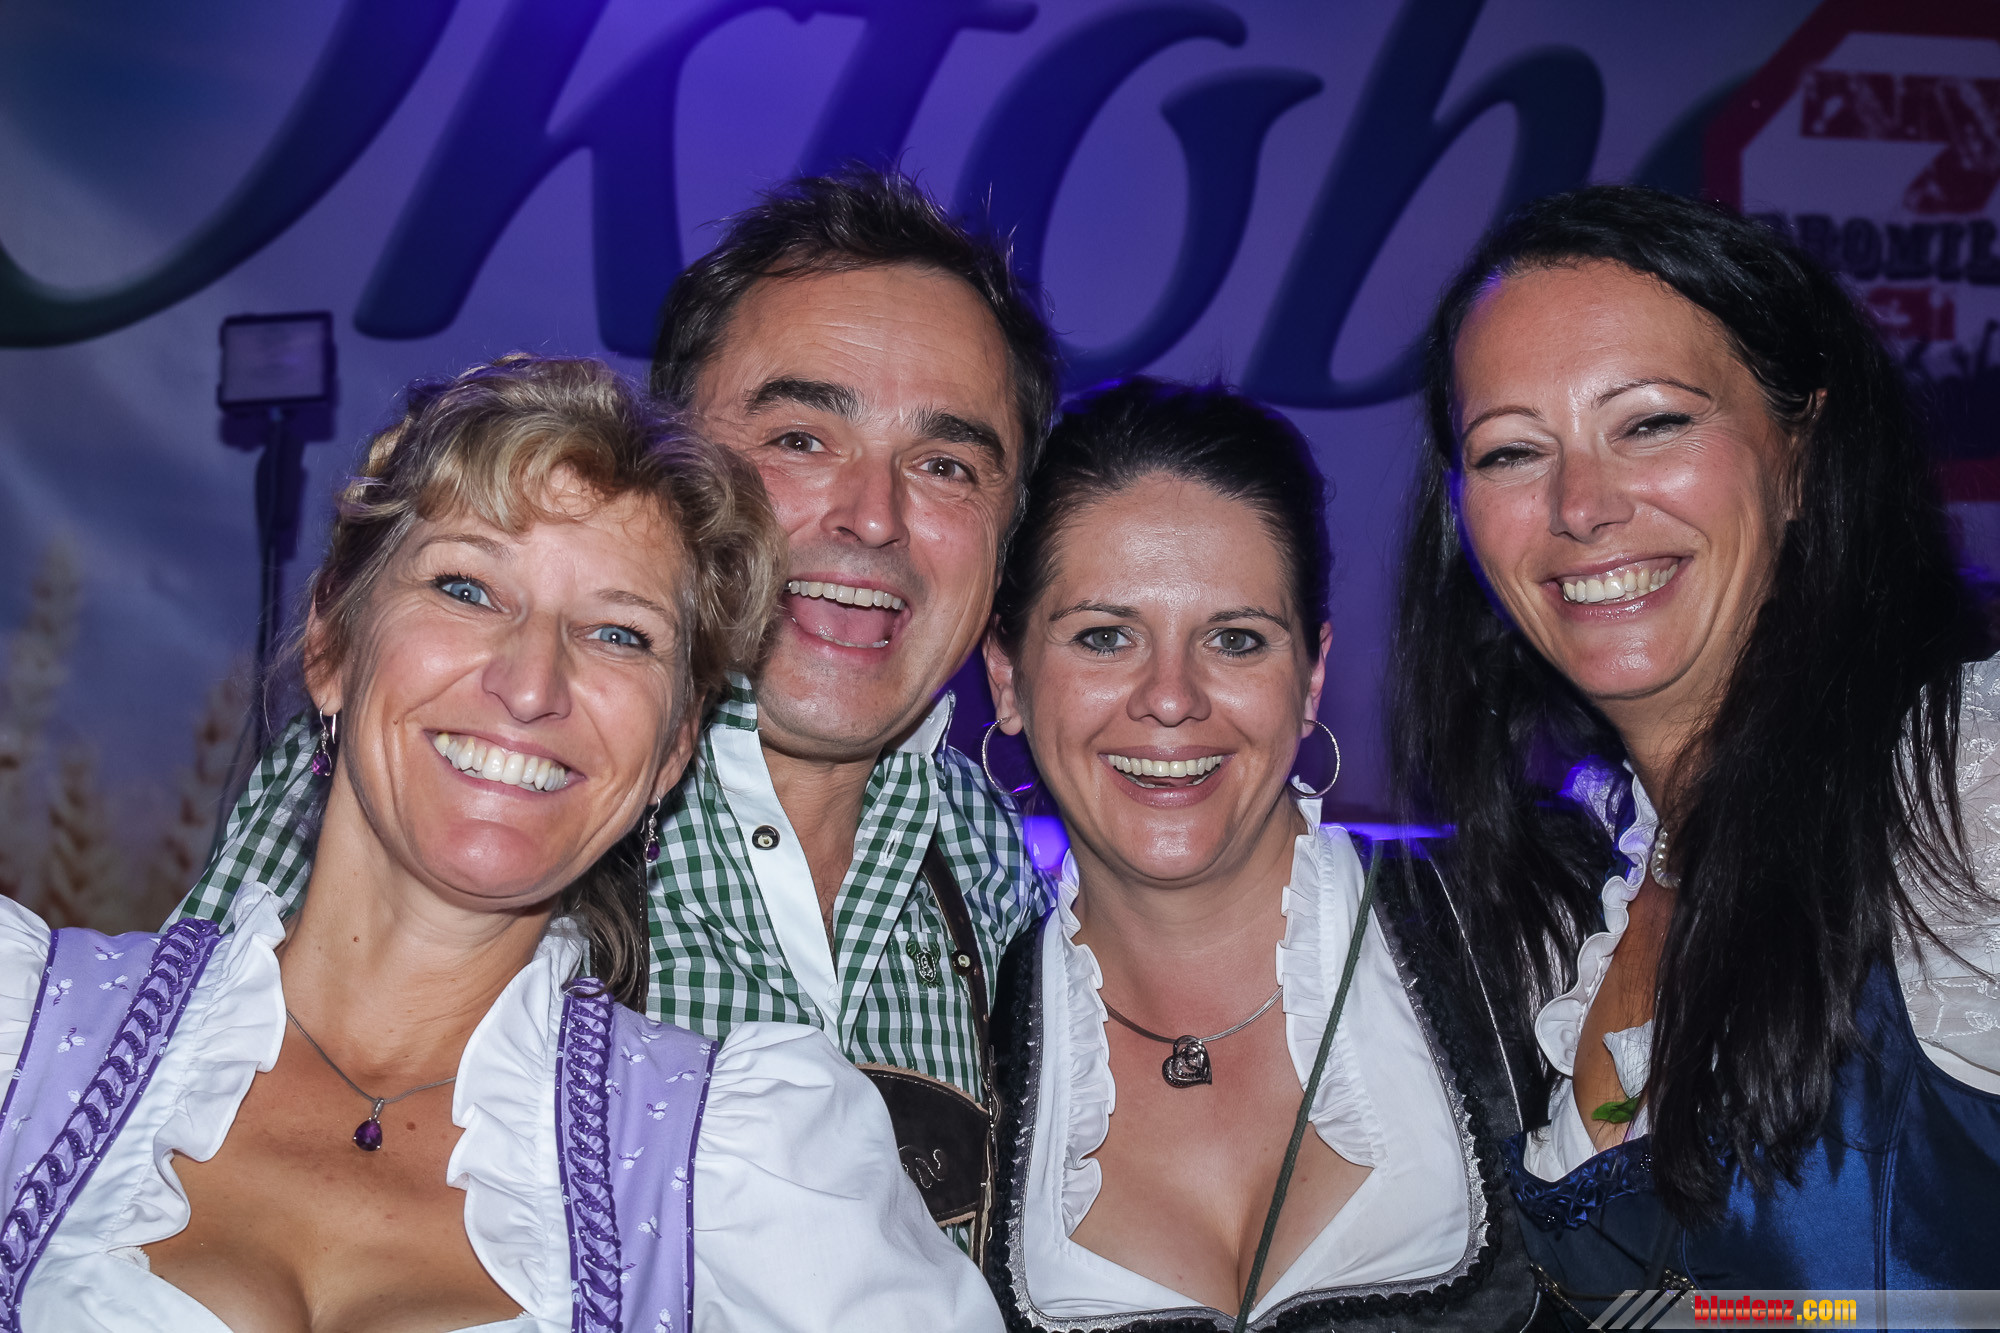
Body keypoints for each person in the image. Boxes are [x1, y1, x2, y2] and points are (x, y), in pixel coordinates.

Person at [0, 355, 999, 1331]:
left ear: (672, 749)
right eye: (467, 588)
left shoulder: (741, 1171)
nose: (530, 685)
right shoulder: (28, 1042)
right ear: (331, 644)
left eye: (619, 634)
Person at [176, 169, 1059, 1243]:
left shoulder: (987, 856)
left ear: (1006, 531)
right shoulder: (473, 772)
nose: (873, 516)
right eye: (799, 438)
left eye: (947, 464)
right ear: (675, 463)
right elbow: (179, 1174)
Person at [1392, 183, 2000, 1325]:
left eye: (1652, 423)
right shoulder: (1586, 885)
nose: (1580, 505)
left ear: (1800, 455)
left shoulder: (1961, 783)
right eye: (1511, 450)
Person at [978, 378, 1537, 1330]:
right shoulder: (961, 1042)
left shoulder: (1521, 929)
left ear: (1311, 677)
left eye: (1236, 639)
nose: (1170, 697)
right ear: (1007, 677)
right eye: (1105, 636)